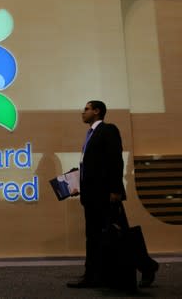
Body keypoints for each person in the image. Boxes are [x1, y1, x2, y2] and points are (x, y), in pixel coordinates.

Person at [66, 100, 158, 289]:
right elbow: (91, 166)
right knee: (94, 236)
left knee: (120, 234)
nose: (82, 112)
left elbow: (115, 160)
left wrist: (116, 189)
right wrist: (76, 183)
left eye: (86, 109)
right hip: (91, 196)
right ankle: (94, 275)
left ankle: (147, 266)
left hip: (106, 196)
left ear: (97, 111)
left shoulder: (108, 130)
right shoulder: (90, 134)